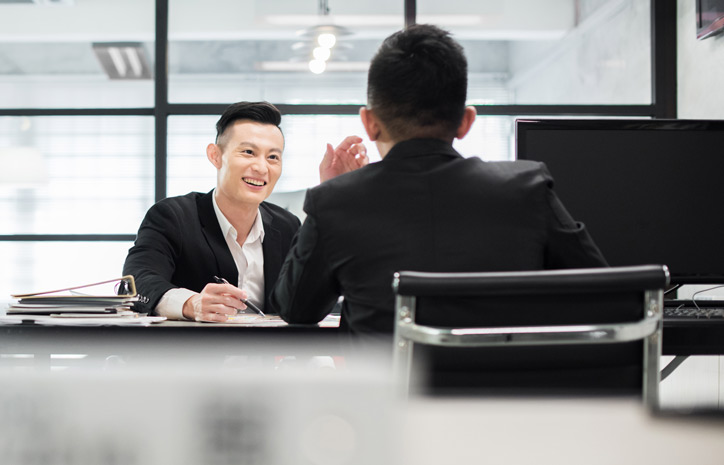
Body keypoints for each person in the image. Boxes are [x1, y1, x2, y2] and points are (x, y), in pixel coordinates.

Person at [270, 24, 607, 341]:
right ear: (466, 122)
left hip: (382, 402)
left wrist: (328, 194)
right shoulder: (527, 190)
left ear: (369, 123)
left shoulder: (336, 203)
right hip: (501, 399)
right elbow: (608, 295)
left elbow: (296, 309)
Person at [123, 101, 301, 322]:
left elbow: (314, 295)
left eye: (273, 157)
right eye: (248, 152)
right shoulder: (172, 217)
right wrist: (190, 304)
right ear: (215, 155)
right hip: (191, 354)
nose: (262, 167)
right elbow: (135, 283)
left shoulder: (288, 225)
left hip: (267, 354)